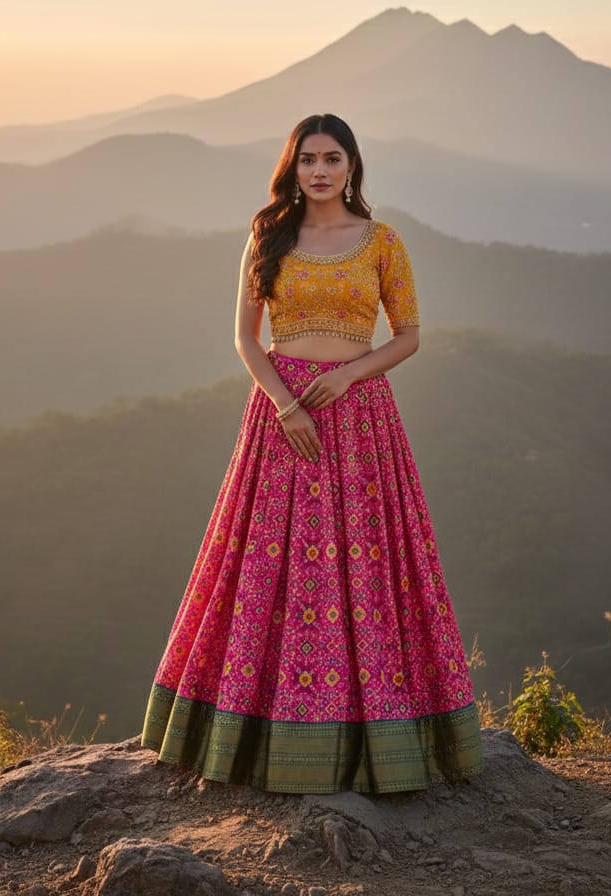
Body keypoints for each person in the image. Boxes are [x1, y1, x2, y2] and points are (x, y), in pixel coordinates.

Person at [140, 113, 484, 793]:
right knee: (267, 567)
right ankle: (248, 735)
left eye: (332, 158)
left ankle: (376, 737)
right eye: (307, 159)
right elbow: (246, 338)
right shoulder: (268, 235)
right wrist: (286, 404)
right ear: (291, 167)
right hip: (282, 416)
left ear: (352, 166)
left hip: (358, 416)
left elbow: (408, 335)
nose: (319, 171)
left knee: (366, 567)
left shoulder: (382, 242)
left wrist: (349, 375)